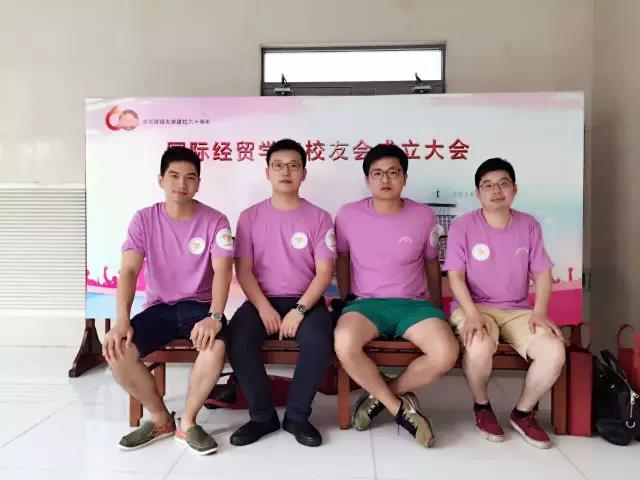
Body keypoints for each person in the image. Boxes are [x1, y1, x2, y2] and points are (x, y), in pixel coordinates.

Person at [103, 146, 234, 455]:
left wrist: (215, 316)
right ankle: (160, 419)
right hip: (159, 309)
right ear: (160, 180)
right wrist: (121, 320)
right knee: (118, 351)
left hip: (199, 309)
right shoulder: (144, 219)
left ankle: (187, 423)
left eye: (190, 177)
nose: (181, 184)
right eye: (174, 176)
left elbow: (223, 270)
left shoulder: (216, 220)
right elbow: (129, 270)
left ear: (198, 183)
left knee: (215, 347)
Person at [333, 144, 459, 448]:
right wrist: (347, 297)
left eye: (393, 172)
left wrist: (436, 306)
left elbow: (431, 263)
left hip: (413, 306)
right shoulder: (348, 215)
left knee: (446, 353)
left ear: (404, 178)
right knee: (344, 343)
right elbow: (342, 259)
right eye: (377, 173)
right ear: (367, 180)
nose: (385, 179)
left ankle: (381, 395)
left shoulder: (424, 215)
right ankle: (400, 410)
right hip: (365, 305)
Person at [444, 157, 565, 449]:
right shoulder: (463, 226)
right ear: (478, 193)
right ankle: (482, 406)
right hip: (475, 307)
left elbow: (542, 272)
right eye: (488, 185)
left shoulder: (528, 225)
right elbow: (455, 277)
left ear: (514, 188)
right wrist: (472, 315)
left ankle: (522, 413)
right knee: (478, 346)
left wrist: (540, 312)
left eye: (503, 183)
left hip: (518, 310)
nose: (496, 190)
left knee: (553, 351)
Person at [227, 139, 335, 447]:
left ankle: (297, 416)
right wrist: (263, 308)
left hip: (306, 301)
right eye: (278, 165)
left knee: (319, 339)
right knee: (238, 338)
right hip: (261, 300)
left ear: (304, 173)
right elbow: (243, 271)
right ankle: (262, 417)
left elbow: (324, 273)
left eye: (293, 166)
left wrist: (299, 311)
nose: (285, 172)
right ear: (267, 172)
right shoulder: (249, 217)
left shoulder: (319, 217)